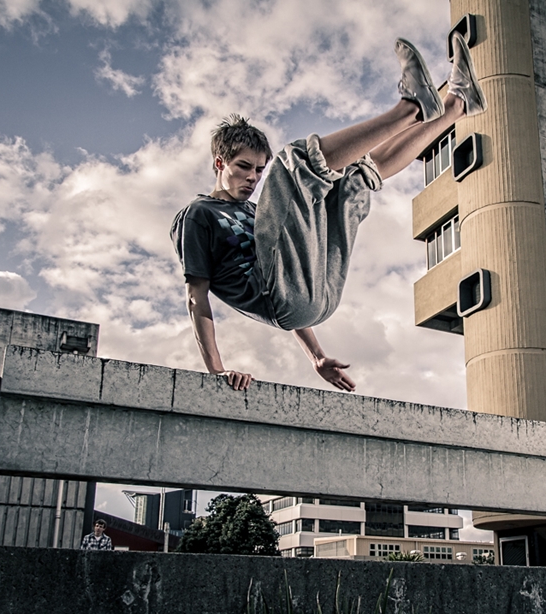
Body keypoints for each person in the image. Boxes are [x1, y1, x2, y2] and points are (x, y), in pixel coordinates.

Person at [171, 34, 485, 392]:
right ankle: (410, 108)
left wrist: (317, 357)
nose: (254, 178)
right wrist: (216, 371)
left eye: (259, 170)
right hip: (281, 298)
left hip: (318, 296)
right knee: (297, 162)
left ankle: (458, 104)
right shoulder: (199, 215)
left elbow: (288, 268)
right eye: (244, 167)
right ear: (219, 163)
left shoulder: (262, 214)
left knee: (355, 174)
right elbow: (197, 296)